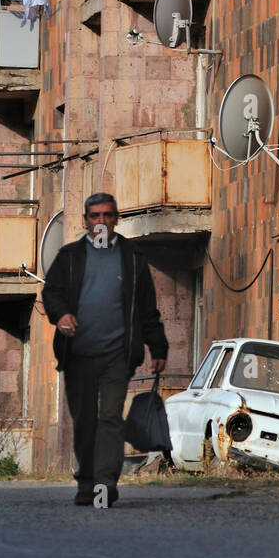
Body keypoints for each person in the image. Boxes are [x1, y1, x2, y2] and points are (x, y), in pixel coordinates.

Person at [43, 192, 168, 507]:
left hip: (117, 355)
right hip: (78, 354)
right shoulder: (70, 256)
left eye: (107, 215)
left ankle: (105, 485)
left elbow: (147, 308)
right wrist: (61, 315)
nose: (101, 221)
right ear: (86, 221)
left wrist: (158, 347)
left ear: (116, 219)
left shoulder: (133, 257)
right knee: (84, 419)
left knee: (110, 417)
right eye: (95, 216)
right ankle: (87, 482)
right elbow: (52, 293)